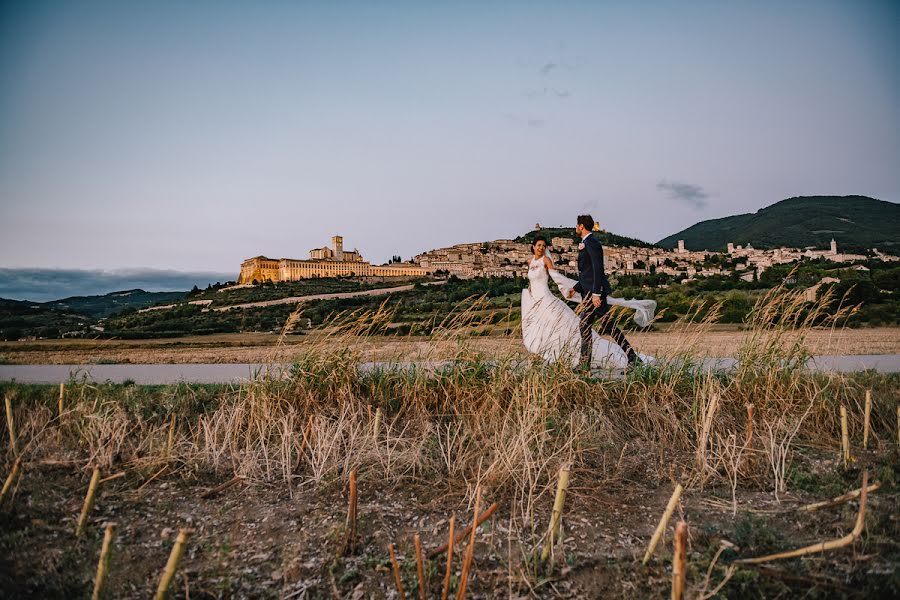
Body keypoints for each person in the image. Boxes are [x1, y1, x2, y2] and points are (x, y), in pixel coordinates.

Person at [521, 232, 654, 371]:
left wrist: (568, 289)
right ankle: (548, 355)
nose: (541, 248)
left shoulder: (546, 261)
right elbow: (532, 281)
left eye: (543, 245)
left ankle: (610, 358)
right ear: (533, 246)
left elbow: (556, 277)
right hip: (534, 299)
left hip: (546, 299)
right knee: (543, 327)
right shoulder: (530, 262)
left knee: (568, 327)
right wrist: (530, 292)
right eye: (539, 245)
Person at [567, 215, 639, 370]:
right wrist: (576, 288)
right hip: (589, 292)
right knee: (587, 325)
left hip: (593, 294)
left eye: (576, 225)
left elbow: (597, 269)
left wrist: (596, 294)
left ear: (581, 226)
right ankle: (586, 363)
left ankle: (632, 357)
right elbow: (588, 273)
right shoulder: (587, 242)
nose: (575, 228)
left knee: (605, 326)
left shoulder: (591, 242)